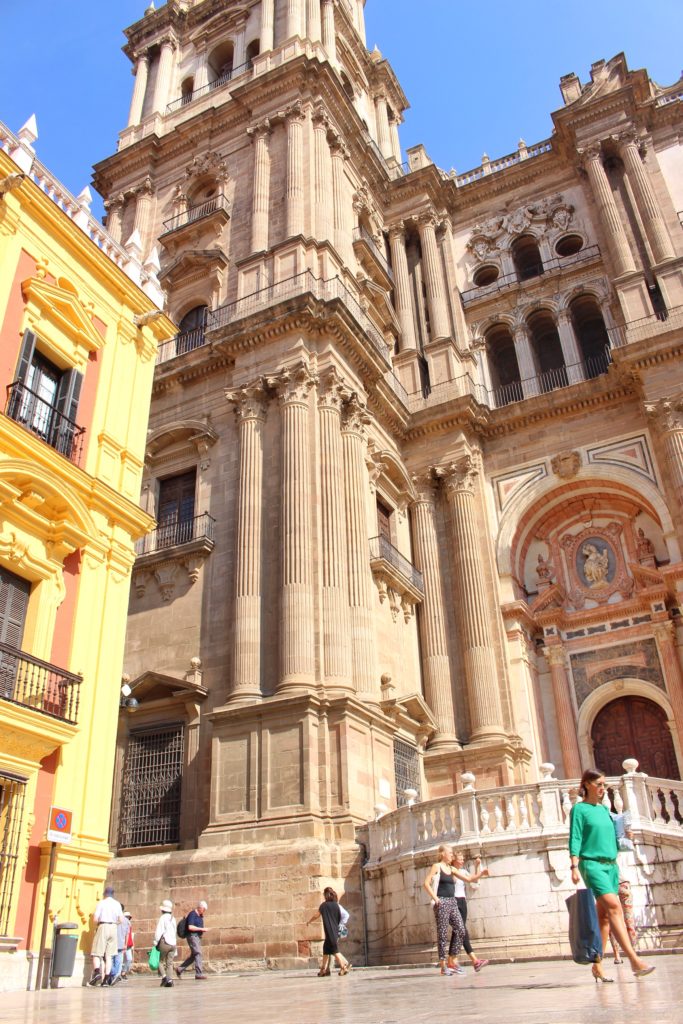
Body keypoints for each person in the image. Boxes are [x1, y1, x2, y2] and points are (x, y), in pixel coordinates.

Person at [569, 768, 654, 981]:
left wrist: (626, 836)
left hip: (611, 866)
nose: (602, 789)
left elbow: (611, 836)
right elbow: (576, 837)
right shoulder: (579, 810)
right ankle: (634, 960)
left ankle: (597, 965)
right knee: (615, 907)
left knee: (604, 916)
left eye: (604, 785)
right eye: (598, 784)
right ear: (586, 784)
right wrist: (573, 865)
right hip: (592, 864)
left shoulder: (605, 810)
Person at [423, 844, 467, 976]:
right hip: (441, 901)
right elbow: (426, 883)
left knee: (460, 929)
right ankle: (443, 965)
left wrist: (480, 873)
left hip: (452, 901)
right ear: (442, 853)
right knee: (442, 934)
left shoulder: (452, 868)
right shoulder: (437, 866)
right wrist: (436, 899)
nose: (452, 855)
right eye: (450, 853)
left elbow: (468, 879)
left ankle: (452, 959)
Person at [449, 851, 490, 972]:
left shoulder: (462, 871)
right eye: (460, 859)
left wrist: (477, 867)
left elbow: (474, 881)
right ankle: (474, 960)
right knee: (461, 930)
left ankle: (451, 960)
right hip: (454, 900)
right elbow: (466, 879)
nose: (462, 861)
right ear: (454, 860)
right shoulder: (451, 870)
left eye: (463, 859)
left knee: (458, 930)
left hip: (462, 901)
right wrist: (480, 872)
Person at [306, 887, 351, 977]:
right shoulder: (337, 905)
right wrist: (341, 924)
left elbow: (316, 915)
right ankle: (323, 969)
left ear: (326, 895)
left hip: (329, 932)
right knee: (326, 950)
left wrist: (309, 921)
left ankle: (343, 967)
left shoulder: (324, 905)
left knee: (334, 951)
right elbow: (345, 915)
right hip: (335, 931)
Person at [88, 885, 124, 986]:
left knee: (96, 953)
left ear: (105, 894)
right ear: (113, 894)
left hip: (103, 926)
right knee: (109, 956)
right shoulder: (117, 904)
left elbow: (95, 919)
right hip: (113, 928)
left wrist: (99, 924)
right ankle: (106, 980)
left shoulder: (101, 903)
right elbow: (121, 920)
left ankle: (96, 972)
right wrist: (114, 924)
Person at [175, 900, 208, 980]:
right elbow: (190, 927)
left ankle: (179, 969)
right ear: (200, 908)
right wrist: (202, 929)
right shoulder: (192, 914)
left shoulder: (199, 915)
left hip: (197, 937)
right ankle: (199, 974)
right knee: (198, 953)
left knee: (194, 956)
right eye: (204, 909)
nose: (204, 911)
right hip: (192, 936)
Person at [154, 899, 178, 988]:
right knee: (170, 963)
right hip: (173, 944)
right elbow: (175, 932)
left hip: (165, 942)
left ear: (163, 910)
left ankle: (164, 977)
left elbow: (159, 931)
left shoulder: (163, 918)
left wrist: (155, 941)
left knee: (159, 961)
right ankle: (170, 980)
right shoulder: (173, 918)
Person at [109, 909, 131, 985]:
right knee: (118, 960)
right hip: (121, 943)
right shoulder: (127, 921)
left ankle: (113, 974)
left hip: (112, 942)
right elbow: (127, 934)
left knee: (110, 959)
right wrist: (125, 944)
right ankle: (116, 975)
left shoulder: (113, 918)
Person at [122, 911, 134, 978]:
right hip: (123, 944)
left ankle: (123, 972)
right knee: (120, 959)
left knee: (129, 959)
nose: (127, 918)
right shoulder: (122, 924)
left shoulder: (129, 924)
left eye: (128, 917)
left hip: (128, 944)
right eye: (126, 917)